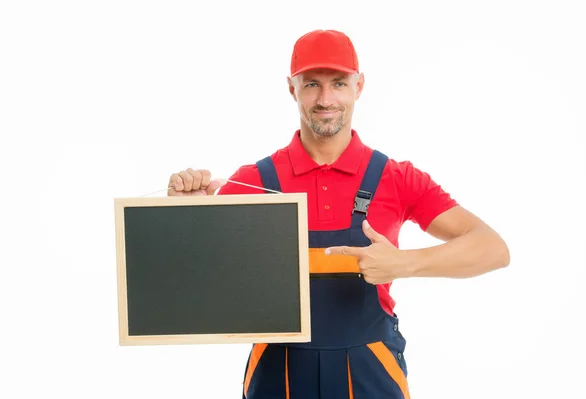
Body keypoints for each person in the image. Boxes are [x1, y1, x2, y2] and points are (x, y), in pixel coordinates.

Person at [167, 29, 510, 399]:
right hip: (277, 373)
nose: (326, 98)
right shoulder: (255, 182)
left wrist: (403, 264)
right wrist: (183, 212)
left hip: (371, 368)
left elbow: (493, 249)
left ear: (359, 86)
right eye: (312, 84)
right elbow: (185, 276)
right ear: (291, 88)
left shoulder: (396, 178)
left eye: (339, 83)